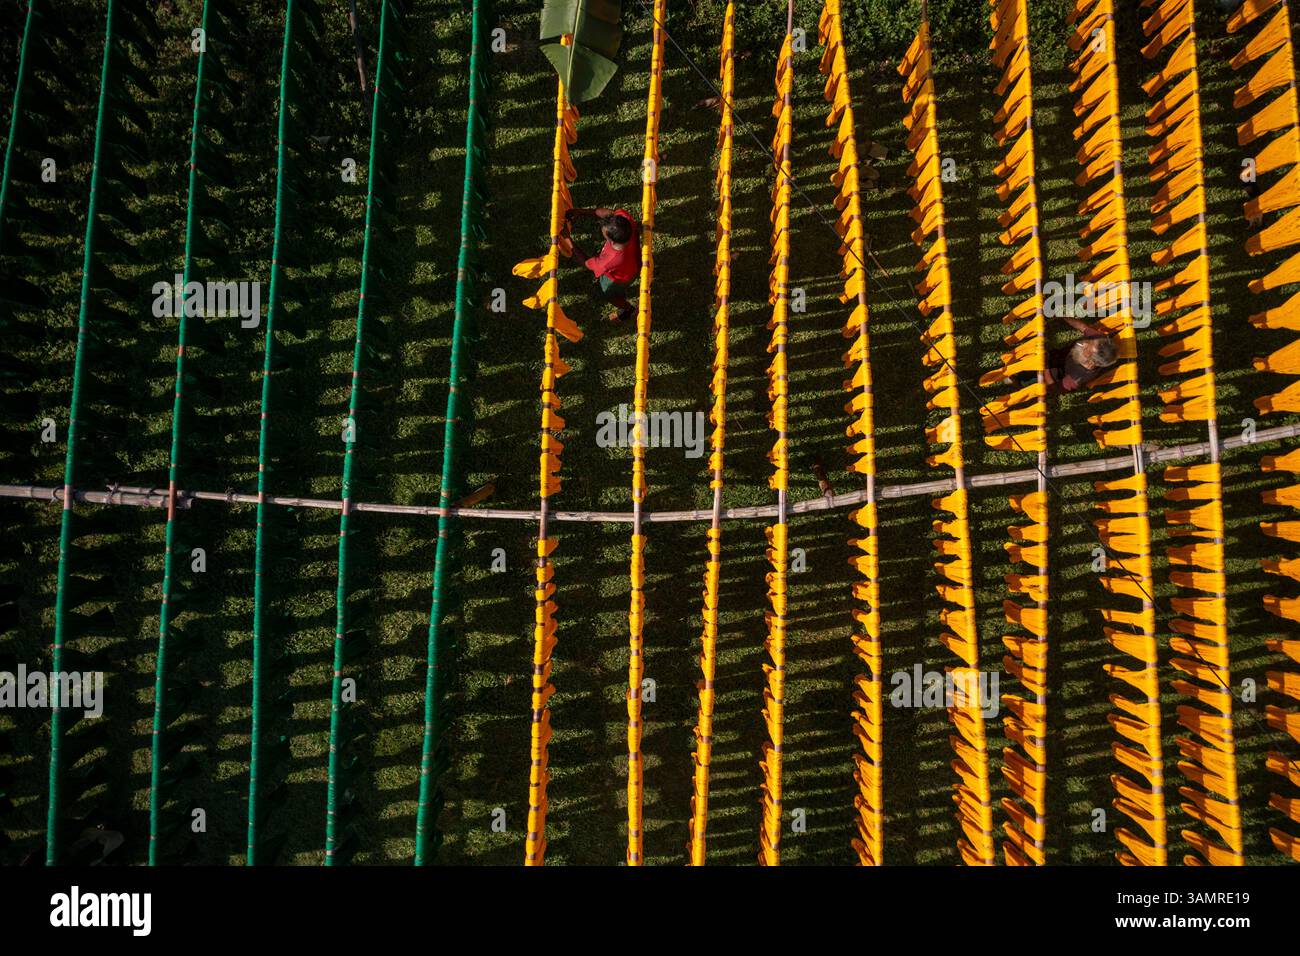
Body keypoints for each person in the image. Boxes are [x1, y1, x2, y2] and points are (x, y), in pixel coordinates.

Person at [564, 206, 640, 323]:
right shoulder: (625, 220)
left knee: (610, 294)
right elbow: (610, 214)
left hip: (619, 278)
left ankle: (628, 309)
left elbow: (586, 263)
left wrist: (567, 240)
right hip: (634, 263)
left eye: (604, 233)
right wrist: (581, 211)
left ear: (611, 241)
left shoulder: (609, 259)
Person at [1045, 314, 1119, 394]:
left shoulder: (1077, 376)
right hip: (1061, 356)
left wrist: (1045, 366)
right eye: (1090, 341)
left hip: (1058, 373)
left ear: (1091, 362)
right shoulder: (1099, 340)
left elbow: (1055, 388)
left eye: (1086, 349)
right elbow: (1083, 327)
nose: (1083, 343)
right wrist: (1063, 316)